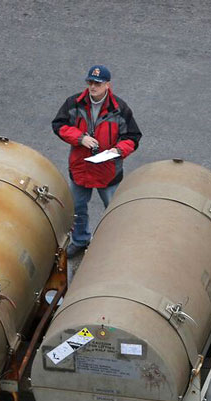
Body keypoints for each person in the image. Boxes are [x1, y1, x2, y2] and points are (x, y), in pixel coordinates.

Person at [51, 65, 142, 257]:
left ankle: (115, 246)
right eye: (90, 82)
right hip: (81, 170)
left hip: (108, 172)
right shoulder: (74, 103)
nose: (93, 87)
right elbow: (59, 125)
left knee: (114, 212)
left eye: (97, 84)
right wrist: (79, 138)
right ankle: (80, 240)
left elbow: (132, 138)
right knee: (77, 210)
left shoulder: (120, 109)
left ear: (107, 85)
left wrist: (117, 150)